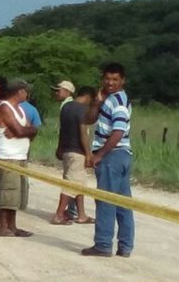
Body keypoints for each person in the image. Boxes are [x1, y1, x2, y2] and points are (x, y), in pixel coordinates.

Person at [82, 63, 135, 258]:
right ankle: (125, 246)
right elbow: (89, 120)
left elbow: (119, 131)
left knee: (105, 201)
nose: (110, 82)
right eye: (107, 79)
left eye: (115, 79)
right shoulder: (109, 99)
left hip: (113, 156)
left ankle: (103, 244)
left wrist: (100, 154)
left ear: (122, 80)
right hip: (121, 155)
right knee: (122, 203)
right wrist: (97, 102)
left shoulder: (118, 102)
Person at [0, 80, 37, 237]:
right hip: (8, 157)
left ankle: (12, 226)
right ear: (19, 91)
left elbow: (31, 130)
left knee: (17, 194)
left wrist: (25, 131)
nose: (27, 94)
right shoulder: (5, 107)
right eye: (25, 91)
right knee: (8, 192)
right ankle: (4, 226)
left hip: (20, 156)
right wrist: (25, 131)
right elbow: (21, 130)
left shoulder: (21, 110)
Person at [51, 86, 96, 225]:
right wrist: (88, 153)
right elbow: (83, 133)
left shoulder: (66, 107)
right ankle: (59, 214)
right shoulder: (83, 109)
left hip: (66, 150)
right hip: (78, 151)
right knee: (71, 184)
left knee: (79, 182)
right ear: (89, 97)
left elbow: (62, 130)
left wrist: (60, 148)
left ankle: (81, 214)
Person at [53, 81, 79, 220]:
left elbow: (65, 130)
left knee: (70, 179)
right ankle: (73, 210)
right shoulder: (71, 105)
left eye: (59, 90)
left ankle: (68, 211)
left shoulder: (66, 105)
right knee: (76, 179)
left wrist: (61, 147)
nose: (56, 93)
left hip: (71, 147)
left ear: (68, 92)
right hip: (74, 146)